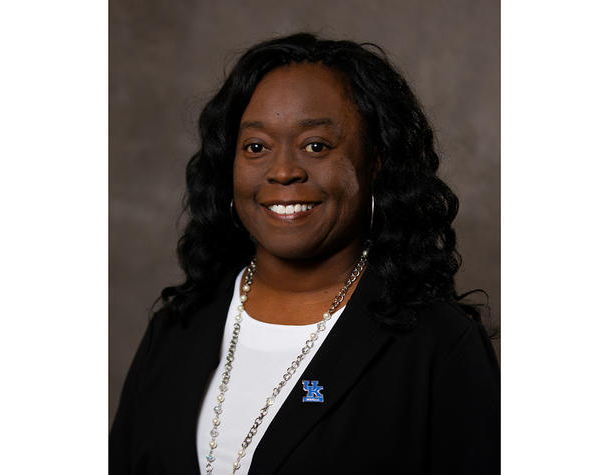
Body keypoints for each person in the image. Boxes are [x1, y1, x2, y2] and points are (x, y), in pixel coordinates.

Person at [110, 33, 500, 474]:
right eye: (256, 147)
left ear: (375, 162)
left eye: (316, 146)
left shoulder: (436, 345)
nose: (283, 171)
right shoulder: (177, 328)